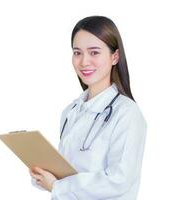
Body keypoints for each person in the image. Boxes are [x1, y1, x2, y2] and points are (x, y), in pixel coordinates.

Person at [29, 16, 147, 200]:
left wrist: (58, 186)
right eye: (77, 52)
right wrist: (43, 175)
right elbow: (67, 174)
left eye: (94, 52)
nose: (84, 62)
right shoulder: (71, 111)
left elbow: (119, 181)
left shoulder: (127, 114)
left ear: (114, 57)